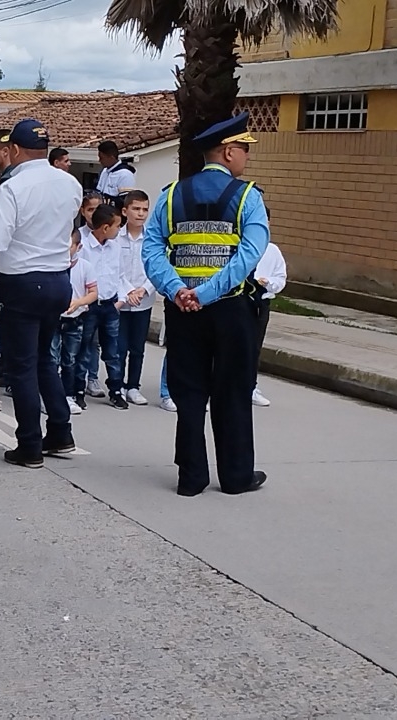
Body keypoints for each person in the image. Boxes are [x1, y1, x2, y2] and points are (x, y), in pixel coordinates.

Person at [141, 111, 269, 496]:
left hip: (183, 311)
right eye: (244, 149)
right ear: (228, 152)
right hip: (231, 310)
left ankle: (191, 476)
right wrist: (207, 293)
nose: (246, 156)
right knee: (233, 391)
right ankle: (235, 476)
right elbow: (249, 254)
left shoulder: (170, 196)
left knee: (189, 392)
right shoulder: (247, 197)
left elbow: (152, 249)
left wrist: (178, 289)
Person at [0, 119, 82, 466]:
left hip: (22, 282)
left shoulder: (13, 187)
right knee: (44, 359)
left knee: (22, 366)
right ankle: (60, 432)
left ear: (14, 149)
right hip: (58, 279)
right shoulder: (71, 183)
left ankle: (29, 443)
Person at [80, 203, 128, 410]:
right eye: (117, 226)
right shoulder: (83, 247)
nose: (119, 230)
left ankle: (116, 390)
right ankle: (78, 389)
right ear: (105, 228)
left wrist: (120, 299)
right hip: (89, 306)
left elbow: (120, 275)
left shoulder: (115, 248)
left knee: (112, 351)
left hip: (109, 306)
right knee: (83, 348)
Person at [117, 189, 156, 406]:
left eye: (144, 209)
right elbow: (114, 268)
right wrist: (128, 291)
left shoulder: (153, 239)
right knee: (120, 347)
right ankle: (118, 385)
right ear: (125, 211)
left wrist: (143, 290)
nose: (141, 213)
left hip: (144, 300)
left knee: (138, 347)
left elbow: (157, 269)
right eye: (136, 209)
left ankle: (133, 386)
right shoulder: (116, 237)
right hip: (122, 300)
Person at [55, 233, 98, 414]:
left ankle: (68, 394)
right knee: (51, 358)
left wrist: (79, 302)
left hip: (75, 318)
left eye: (70, 245)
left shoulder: (85, 267)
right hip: (54, 318)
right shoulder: (52, 266)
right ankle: (50, 395)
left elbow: (94, 293)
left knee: (70, 359)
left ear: (78, 247)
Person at [251, 242, 286, 407]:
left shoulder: (272, 250)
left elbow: (280, 279)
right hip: (240, 301)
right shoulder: (240, 244)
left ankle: (250, 387)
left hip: (261, 303)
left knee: (254, 347)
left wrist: (268, 282)